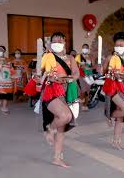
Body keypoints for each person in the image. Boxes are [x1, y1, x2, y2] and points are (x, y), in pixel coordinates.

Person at [32, 32, 79, 168]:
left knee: (62, 128)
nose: (57, 42)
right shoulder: (47, 56)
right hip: (51, 91)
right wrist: (43, 77)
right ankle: (49, 128)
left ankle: (57, 158)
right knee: (66, 116)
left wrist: (71, 78)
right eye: (54, 40)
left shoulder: (70, 57)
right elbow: (38, 74)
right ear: (51, 43)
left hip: (65, 93)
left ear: (65, 41)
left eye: (60, 40)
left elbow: (75, 73)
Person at [101, 32, 124, 150]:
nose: (119, 47)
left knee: (121, 117)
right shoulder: (109, 58)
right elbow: (103, 73)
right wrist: (101, 69)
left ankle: (116, 141)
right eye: (117, 45)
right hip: (112, 86)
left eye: (121, 45)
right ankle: (108, 115)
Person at [75, 44, 95, 111]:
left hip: (89, 75)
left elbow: (94, 66)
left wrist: (89, 68)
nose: (85, 49)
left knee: (88, 91)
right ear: (82, 48)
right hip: (82, 75)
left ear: (88, 49)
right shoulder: (78, 56)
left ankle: (85, 105)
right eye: (84, 48)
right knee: (84, 90)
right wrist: (81, 66)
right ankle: (81, 99)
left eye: (86, 48)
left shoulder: (91, 57)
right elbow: (75, 65)